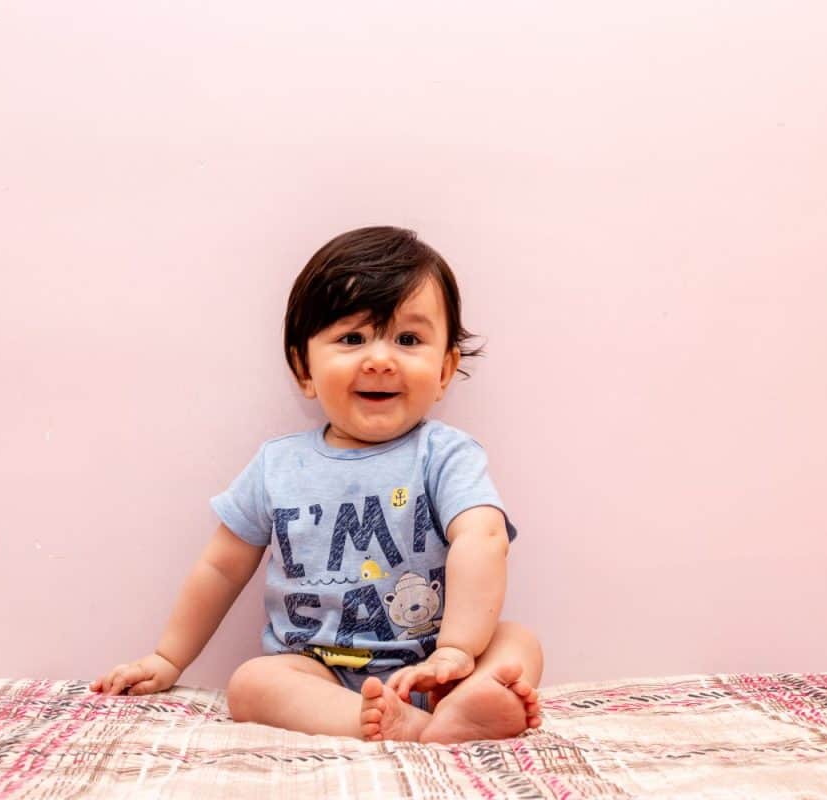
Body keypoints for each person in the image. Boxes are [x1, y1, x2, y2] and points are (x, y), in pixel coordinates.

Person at [91, 226, 543, 743]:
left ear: (444, 371)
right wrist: (168, 657)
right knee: (253, 683)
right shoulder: (277, 465)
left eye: (408, 339)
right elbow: (220, 567)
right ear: (304, 368)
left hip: (432, 666)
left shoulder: (446, 455)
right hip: (317, 670)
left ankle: (462, 706)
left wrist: (457, 652)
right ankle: (402, 726)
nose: (380, 358)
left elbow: (481, 538)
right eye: (352, 338)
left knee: (515, 643)